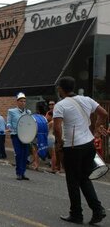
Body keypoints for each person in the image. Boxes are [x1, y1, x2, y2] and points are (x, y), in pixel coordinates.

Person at [53, 76, 107, 225]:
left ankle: (76, 214)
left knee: (72, 181)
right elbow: (104, 114)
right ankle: (98, 210)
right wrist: (97, 127)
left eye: (58, 87)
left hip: (73, 147)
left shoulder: (60, 105)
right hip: (88, 144)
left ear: (61, 89)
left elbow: (57, 128)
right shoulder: (87, 99)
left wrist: (59, 143)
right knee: (84, 178)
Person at [7, 92, 31, 180]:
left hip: (25, 136)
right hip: (16, 135)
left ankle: (23, 172)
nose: (23, 103)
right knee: (19, 154)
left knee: (25, 154)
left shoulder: (28, 112)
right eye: (21, 101)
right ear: (17, 102)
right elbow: (8, 122)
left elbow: (30, 123)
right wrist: (9, 127)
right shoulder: (11, 111)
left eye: (24, 101)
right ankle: (18, 173)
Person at [45, 100, 58, 173]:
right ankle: (53, 167)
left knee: (52, 154)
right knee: (53, 153)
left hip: (50, 137)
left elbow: (46, 129)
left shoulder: (51, 122)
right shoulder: (54, 121)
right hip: (52, 136)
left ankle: (53, 168)